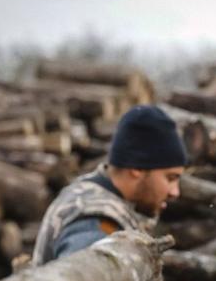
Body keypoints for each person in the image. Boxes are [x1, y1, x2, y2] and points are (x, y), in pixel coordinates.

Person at [31, 105, 187, 266]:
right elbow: (84, 279)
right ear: (137, 169)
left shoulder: (96, 194)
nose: (175, 192)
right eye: (170, 178)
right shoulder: (94, 220)